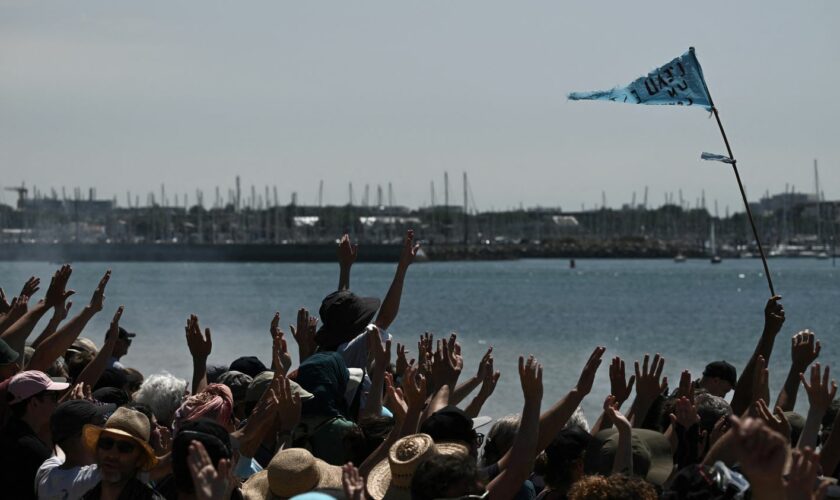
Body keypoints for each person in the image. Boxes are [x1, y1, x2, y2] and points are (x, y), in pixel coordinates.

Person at [0, 370, 69, 499]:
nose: (57, 402)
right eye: (53, 396)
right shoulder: (31, 450)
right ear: (34, 402)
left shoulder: (8, 434)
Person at [36, 399, 116, 500]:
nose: (104, 429)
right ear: (83, 436)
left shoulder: (46, 471)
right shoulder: (89, 479)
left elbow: (59, 450)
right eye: (100, 424)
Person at [80, 406, 163, 499]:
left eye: (124, 447)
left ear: (140, 459)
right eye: (107, 443)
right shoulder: (87, 496)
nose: (112, 455)